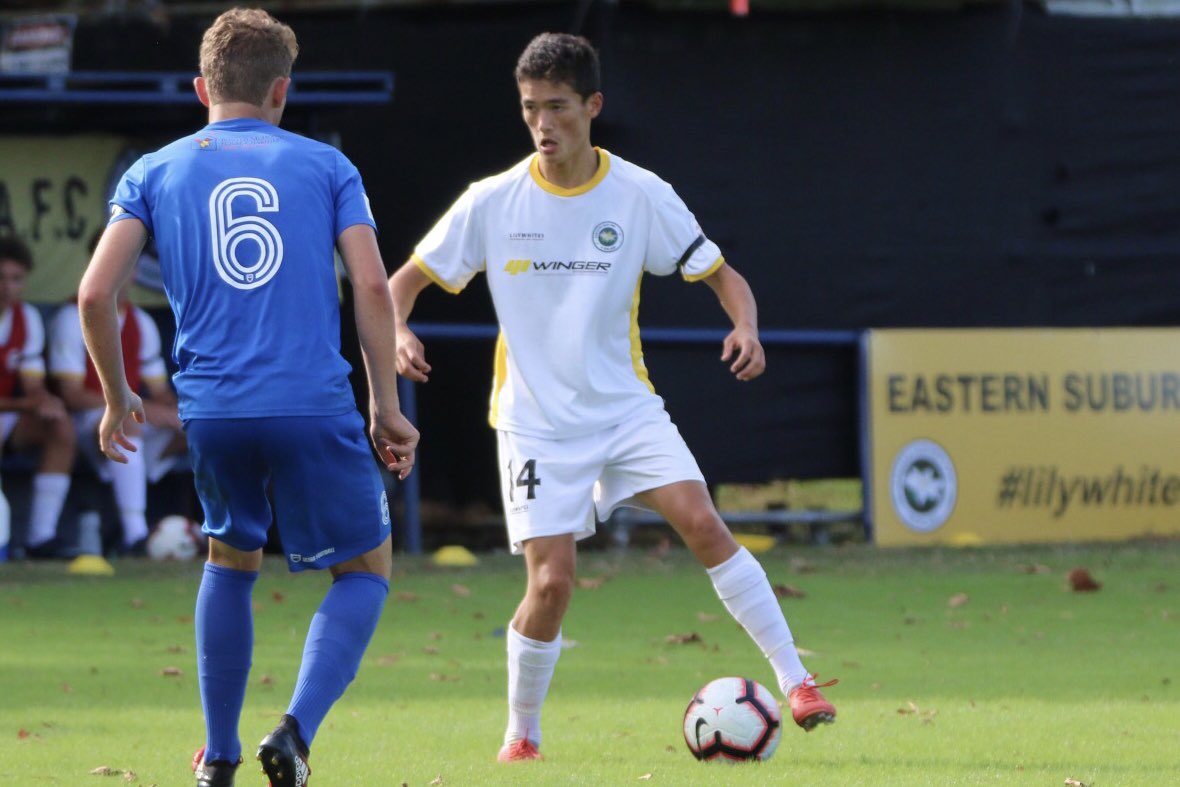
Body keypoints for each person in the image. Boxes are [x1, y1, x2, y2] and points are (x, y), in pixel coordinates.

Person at [388, 32, 837, 763]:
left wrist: (746, 328)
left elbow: (725, 276)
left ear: (592, 106)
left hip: (624, 409)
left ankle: (798, 679)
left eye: (558, 107)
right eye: (531, 107)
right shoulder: (493, 201)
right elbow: (399, 285)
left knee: (702, 520)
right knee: (554, 583)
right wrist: (400, 330)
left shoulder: (640, 193)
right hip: (534, 422)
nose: (543, 123)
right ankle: (521, 734)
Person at [78, 9, 418, 787]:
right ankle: (294, 730)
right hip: (311, 402)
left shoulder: (152, 171)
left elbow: (97, 293)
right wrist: (384, 403)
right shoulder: (328, 167)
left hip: (214, 409)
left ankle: (219, 755)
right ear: (281, 91)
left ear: (202, 88)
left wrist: (117, 395)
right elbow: (369, 282)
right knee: (365, 567)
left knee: (230, 559)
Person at [49, 279, 185, 554]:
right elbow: (72, 395)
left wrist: (178, 411)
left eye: (129, 263)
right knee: (126, 423)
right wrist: (141, 407)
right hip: (87, 419)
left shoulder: (141, 321)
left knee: (199, 425)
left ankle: (131, 484)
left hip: (132, 414)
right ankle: (135, 535)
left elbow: (160, 392)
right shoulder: (71, 316)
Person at [0, 236, 76, 559]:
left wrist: (44, 400)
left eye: (15, 279)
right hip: (9, 409)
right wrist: (26, 403)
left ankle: (41, 537)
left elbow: (32, 384)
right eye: (0, 278)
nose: (7, 287)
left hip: (8, 416)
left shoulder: (27, 318)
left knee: (59, 425)